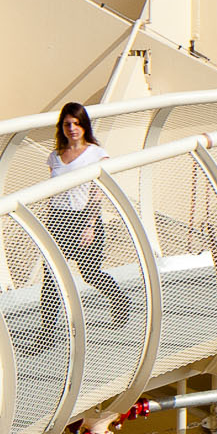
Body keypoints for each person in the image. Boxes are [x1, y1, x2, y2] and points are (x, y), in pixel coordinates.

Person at [34, 101, 135, 344]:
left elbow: (98, 192)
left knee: (90, 274)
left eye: (76, 124)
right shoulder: (55, 157)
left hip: (85, 220)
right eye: (67, 124)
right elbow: (52, 192)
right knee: (51, 279)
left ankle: (120, 300)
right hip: (58, 220)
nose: (72, 129)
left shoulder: (96, 154)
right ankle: (46, 334)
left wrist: (89, 225)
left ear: (84, 125)